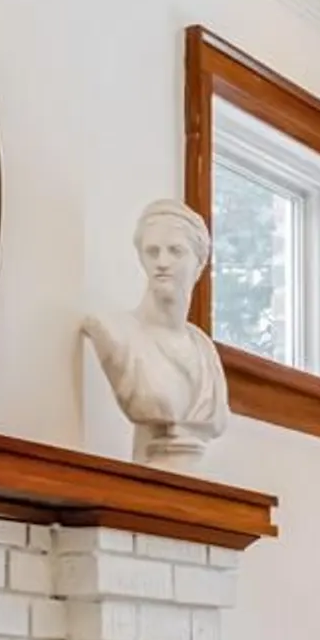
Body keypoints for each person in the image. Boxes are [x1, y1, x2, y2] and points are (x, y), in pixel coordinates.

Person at [83, 198, 231, 469]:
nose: (162, 262)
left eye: (175, 251)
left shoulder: (204, 349)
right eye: (152, 252)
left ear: (199, 264)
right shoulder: (116, 331)